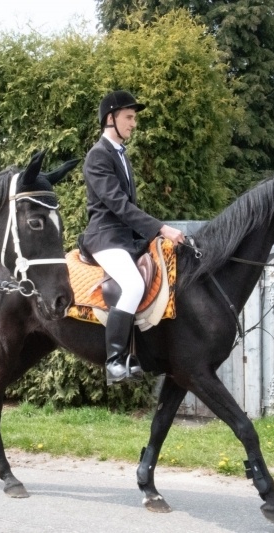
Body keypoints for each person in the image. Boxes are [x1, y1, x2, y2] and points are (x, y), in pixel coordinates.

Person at [79, 90, 185, 384]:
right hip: (104, 237)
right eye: (129, 117)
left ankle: (135, 354)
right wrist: (161, 228)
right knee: (133, 283)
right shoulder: (98, 156)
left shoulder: (121, 156)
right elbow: (118, 205)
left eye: (134, 118)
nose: (133, 123)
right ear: (110, 119)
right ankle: (114, 360)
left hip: (125, 239)